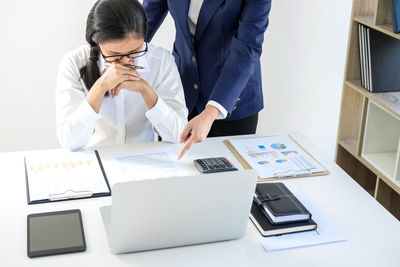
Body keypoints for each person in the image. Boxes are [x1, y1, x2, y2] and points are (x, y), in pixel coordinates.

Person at [143, 0, 272, 159]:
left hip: (231, 98)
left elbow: (247, 51)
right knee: (176, 172)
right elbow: (143, 23)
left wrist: (211, 112)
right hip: (181, 93)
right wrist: (117, 61)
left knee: (229, 178)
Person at [56, 0, 188, 151]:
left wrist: (146, 91)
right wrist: (100, 87)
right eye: (115, 55)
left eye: (135, 51)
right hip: (96, 160)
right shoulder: (74, 63)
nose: (126, 61)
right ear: (96, 42)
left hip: (146, 159)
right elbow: (69, 141)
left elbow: (179, 135)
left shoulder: (162, 61)